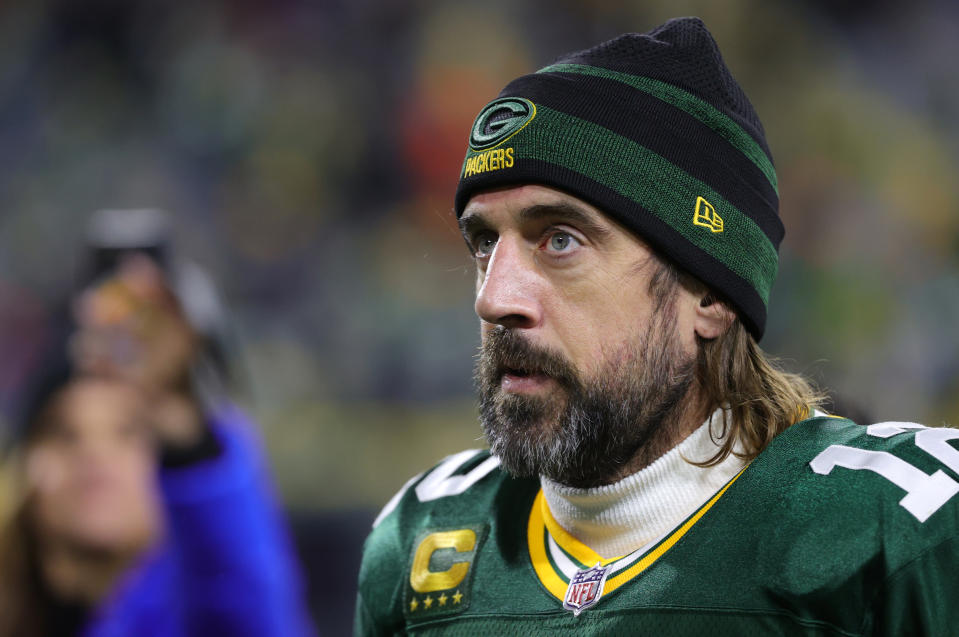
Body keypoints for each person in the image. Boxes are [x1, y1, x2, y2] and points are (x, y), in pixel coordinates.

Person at [355, 17, 959, 635]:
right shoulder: (422, 541)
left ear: (709, 294)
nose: (493, 297)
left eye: (560, 239)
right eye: (485, 243)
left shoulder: (899, 528)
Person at [0, 256, 316, 636]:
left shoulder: (204, 615)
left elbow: (240, 596)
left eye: (128, 432)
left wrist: (191, 443)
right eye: (64, 434)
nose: (94, 453)